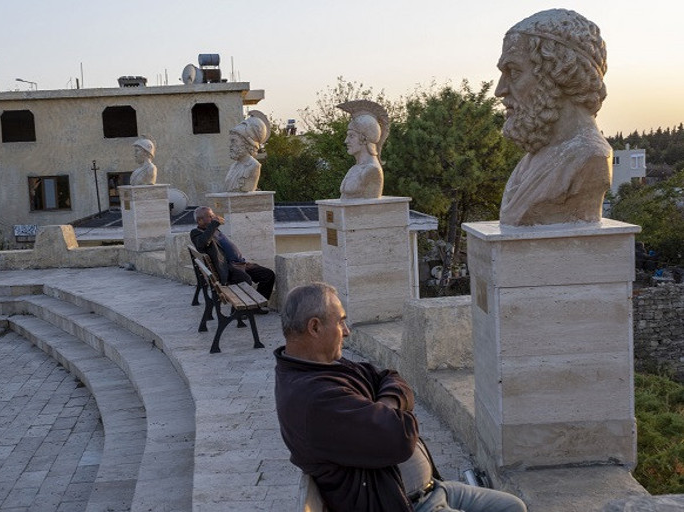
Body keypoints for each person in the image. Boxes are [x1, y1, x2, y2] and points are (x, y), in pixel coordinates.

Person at [274, 282, 527, 512]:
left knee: (513, 506)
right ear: (315, 327)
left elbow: (391, 376)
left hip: (433, 489)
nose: (347, 331)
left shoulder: (323, 367)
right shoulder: (313, 398)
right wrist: (392, 413)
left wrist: (384, 406)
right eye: (340, 322)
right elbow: (401, 435)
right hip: (406, 504)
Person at [496, 9, 611, 226]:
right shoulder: (535, 159)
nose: (500, 90)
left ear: (560, 74)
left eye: (514, 72)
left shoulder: (590, 158)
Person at [190, 206, 275, 303]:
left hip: (240, 263)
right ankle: (247, 309)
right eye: (210, 216)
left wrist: (213, 226)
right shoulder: (196, 233)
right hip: (230, 268)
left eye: (213, 215)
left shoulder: (213, 229)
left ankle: (260, 304)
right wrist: (213, 225)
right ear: (200, 221)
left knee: (267, 274)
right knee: (245, 280)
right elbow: (201, 244)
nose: (214, 217)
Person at [337, 100, 389, 200]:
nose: (346, 141)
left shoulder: (372, 170)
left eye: (351, 136)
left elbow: (370, 208)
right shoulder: (354, 168)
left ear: (364, 139)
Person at [224, 111, 269, 193]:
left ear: (247, 144)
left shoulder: (254, 166)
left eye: (234, 141)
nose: (230, 145)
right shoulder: (233, 166)